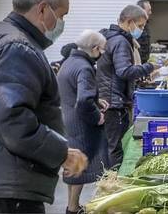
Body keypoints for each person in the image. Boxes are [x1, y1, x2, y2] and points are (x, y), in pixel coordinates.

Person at [0, 0, 87, 213]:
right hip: (11, 189)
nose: (62, 23)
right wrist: (61, 153)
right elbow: (13, 121)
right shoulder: (18, 47)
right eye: (62, 15)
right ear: (43, 9)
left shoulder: (3, 35)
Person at [97, 5, 156, 168]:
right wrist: (149, 66)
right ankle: (113, 182)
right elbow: (124, 71)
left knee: (111, 146)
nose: (142, 30)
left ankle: (109, 180)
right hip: (114, 102)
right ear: (130, 22)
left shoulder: (109, 37)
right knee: (116, 148)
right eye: (140, 26)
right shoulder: (120, 41)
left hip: (109, 99)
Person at [58, 30, 109, 214]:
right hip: (82, 125)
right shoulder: (85, 68)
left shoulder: (69, 62)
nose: (102, 53)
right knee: (80, 168)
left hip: (68, 121)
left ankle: (72, 206)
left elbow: (75, 92)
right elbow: (83, 101)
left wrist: (96, 101)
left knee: (72, 166)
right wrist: (98, 116)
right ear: (94, 48)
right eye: (101, 49)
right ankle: (73, 208)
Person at [137, 0, 152, 64]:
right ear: (141, 10)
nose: (150, 12)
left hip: (143, 63)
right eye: (149, 10)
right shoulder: (135, 27)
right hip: (138, 64)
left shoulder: (146, 25)